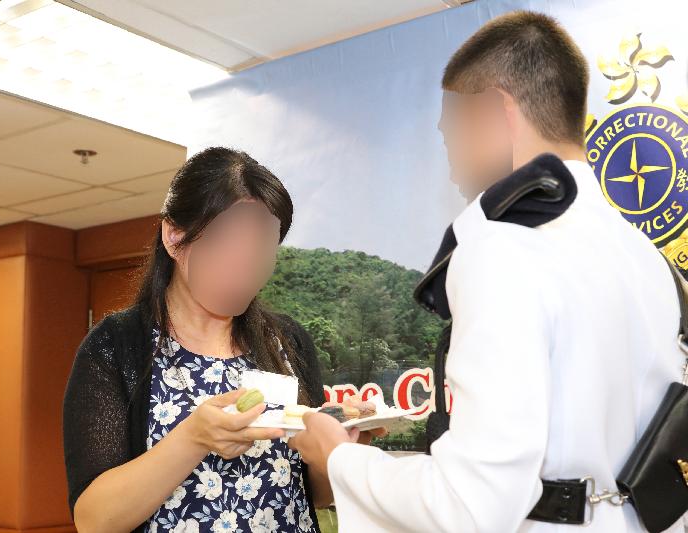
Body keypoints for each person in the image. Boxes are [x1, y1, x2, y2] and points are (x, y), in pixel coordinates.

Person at [289, 11, 686, 532]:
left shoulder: (502, 246)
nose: (451, 163)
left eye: (449, 131)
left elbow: (470, 504)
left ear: (497, 112)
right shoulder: (647, 258)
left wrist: (337, 458)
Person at [63, 147, 332, 533]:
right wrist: (192, 438)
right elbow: (94, 519)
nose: (245, 266)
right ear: (174, 236)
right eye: (228, 242)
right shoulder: (116, 346)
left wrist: (338, 447)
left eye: (262, 247)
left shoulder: (286, 341)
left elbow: (313, 493)